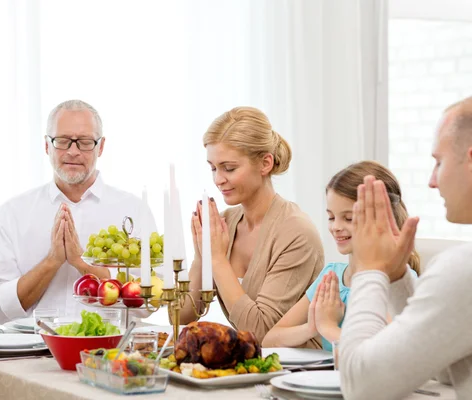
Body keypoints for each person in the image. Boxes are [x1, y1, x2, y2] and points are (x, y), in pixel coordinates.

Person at [340, 96, 472, 399]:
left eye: (439, 162)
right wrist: (397, 278)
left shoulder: (464, 267)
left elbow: (361, 386)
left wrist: (370, 270)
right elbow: (442, 366)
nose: (432, 181)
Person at [0, 100, 156, 323]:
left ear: (100, 147)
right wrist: (52, 261)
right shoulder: (12, 213)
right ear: (46, 145)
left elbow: (148, 303)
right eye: (62, 141)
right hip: (33, 352)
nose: (73, 151)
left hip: (111, 351)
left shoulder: (133, 210)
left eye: (85, 142)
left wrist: (82, 263)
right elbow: (1, 308)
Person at [179, 106, 324, 343]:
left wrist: (217, 259)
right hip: (250, 367)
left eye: (229, 168)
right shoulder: (225, 223)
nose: (218, 179)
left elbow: (261, 332)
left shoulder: (297, 233)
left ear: (265, 163)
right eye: (213, 168)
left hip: (297, 372)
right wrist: (201, 256)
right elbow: (184, 315)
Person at [262, 161, 420, 351]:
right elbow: (270, 339)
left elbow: (380, 353)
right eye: (331, 217)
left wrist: (327, 327)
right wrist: (311, 328)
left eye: (348, 218)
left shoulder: (395, 283)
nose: (336, 226)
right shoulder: (332, 277)